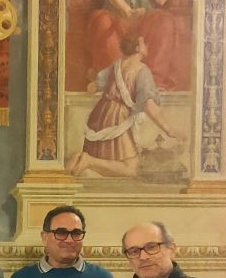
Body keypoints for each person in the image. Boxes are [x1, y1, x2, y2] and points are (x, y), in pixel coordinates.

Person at [66, 35, 184, 178]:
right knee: (131, 169)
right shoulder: (142, 70)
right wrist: (169, 130)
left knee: (111, 162)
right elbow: (148, 104)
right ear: (137, 48)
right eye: (143, 43)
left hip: (100, 113)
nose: (147, 45)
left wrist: (98, 86)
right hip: (117, 117)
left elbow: (94, 86)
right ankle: (87, 160)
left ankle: (81, 160)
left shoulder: (116, 65)